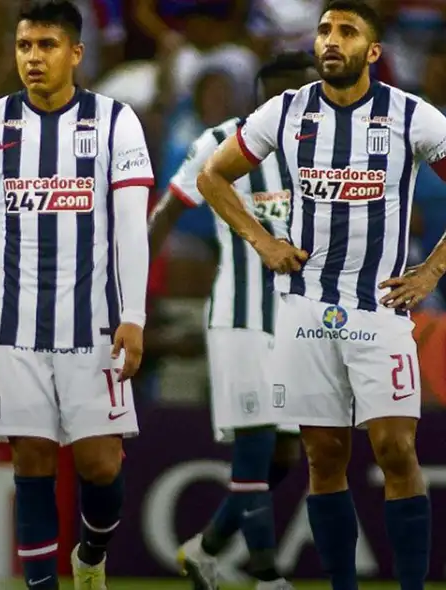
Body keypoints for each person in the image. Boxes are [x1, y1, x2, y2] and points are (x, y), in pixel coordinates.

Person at [196, 2, 446, 588]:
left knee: (395, 449)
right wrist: (261, 241)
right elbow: (212, 175)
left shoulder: (411, 116)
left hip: (379, 306)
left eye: (347, 32)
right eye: (326, 30)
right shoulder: (285, 111)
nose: (331, 41)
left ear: (374, 51)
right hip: (305, 309)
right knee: (323, 457)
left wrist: (433, 271)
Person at [0, 2, 152, 588]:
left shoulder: (116, 122)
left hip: (93, 328)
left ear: (76, 53)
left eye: (47, 46)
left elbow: (130, 227)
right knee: (32, 465)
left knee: (100, 465)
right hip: (14, 330)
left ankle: (90, 556)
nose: (33, 58)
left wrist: (133, 316)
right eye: (24, 46)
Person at [149, 51, 317, 590]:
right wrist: (129, 291)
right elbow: (169, 209)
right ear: (271, 97)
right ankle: (266, 577)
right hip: (240, 320)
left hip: (299, 325)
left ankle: (206, 548)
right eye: (300, 94)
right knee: (255, 447)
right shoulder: (220, 140)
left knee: (286, 453)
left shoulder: (327, 150)